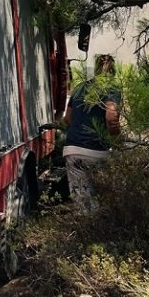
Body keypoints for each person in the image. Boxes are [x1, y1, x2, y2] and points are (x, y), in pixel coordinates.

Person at [61, 54, 121, 213]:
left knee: (82, 199)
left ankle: (87, 229)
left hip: (74, 150)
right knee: (103, 195)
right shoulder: (112, 89)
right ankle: (101, 230)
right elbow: (111, 116)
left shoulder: (80, 87)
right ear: (114, 71)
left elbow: (67, 119)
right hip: (98, 151)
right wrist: (117, 138)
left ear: (95, 69)